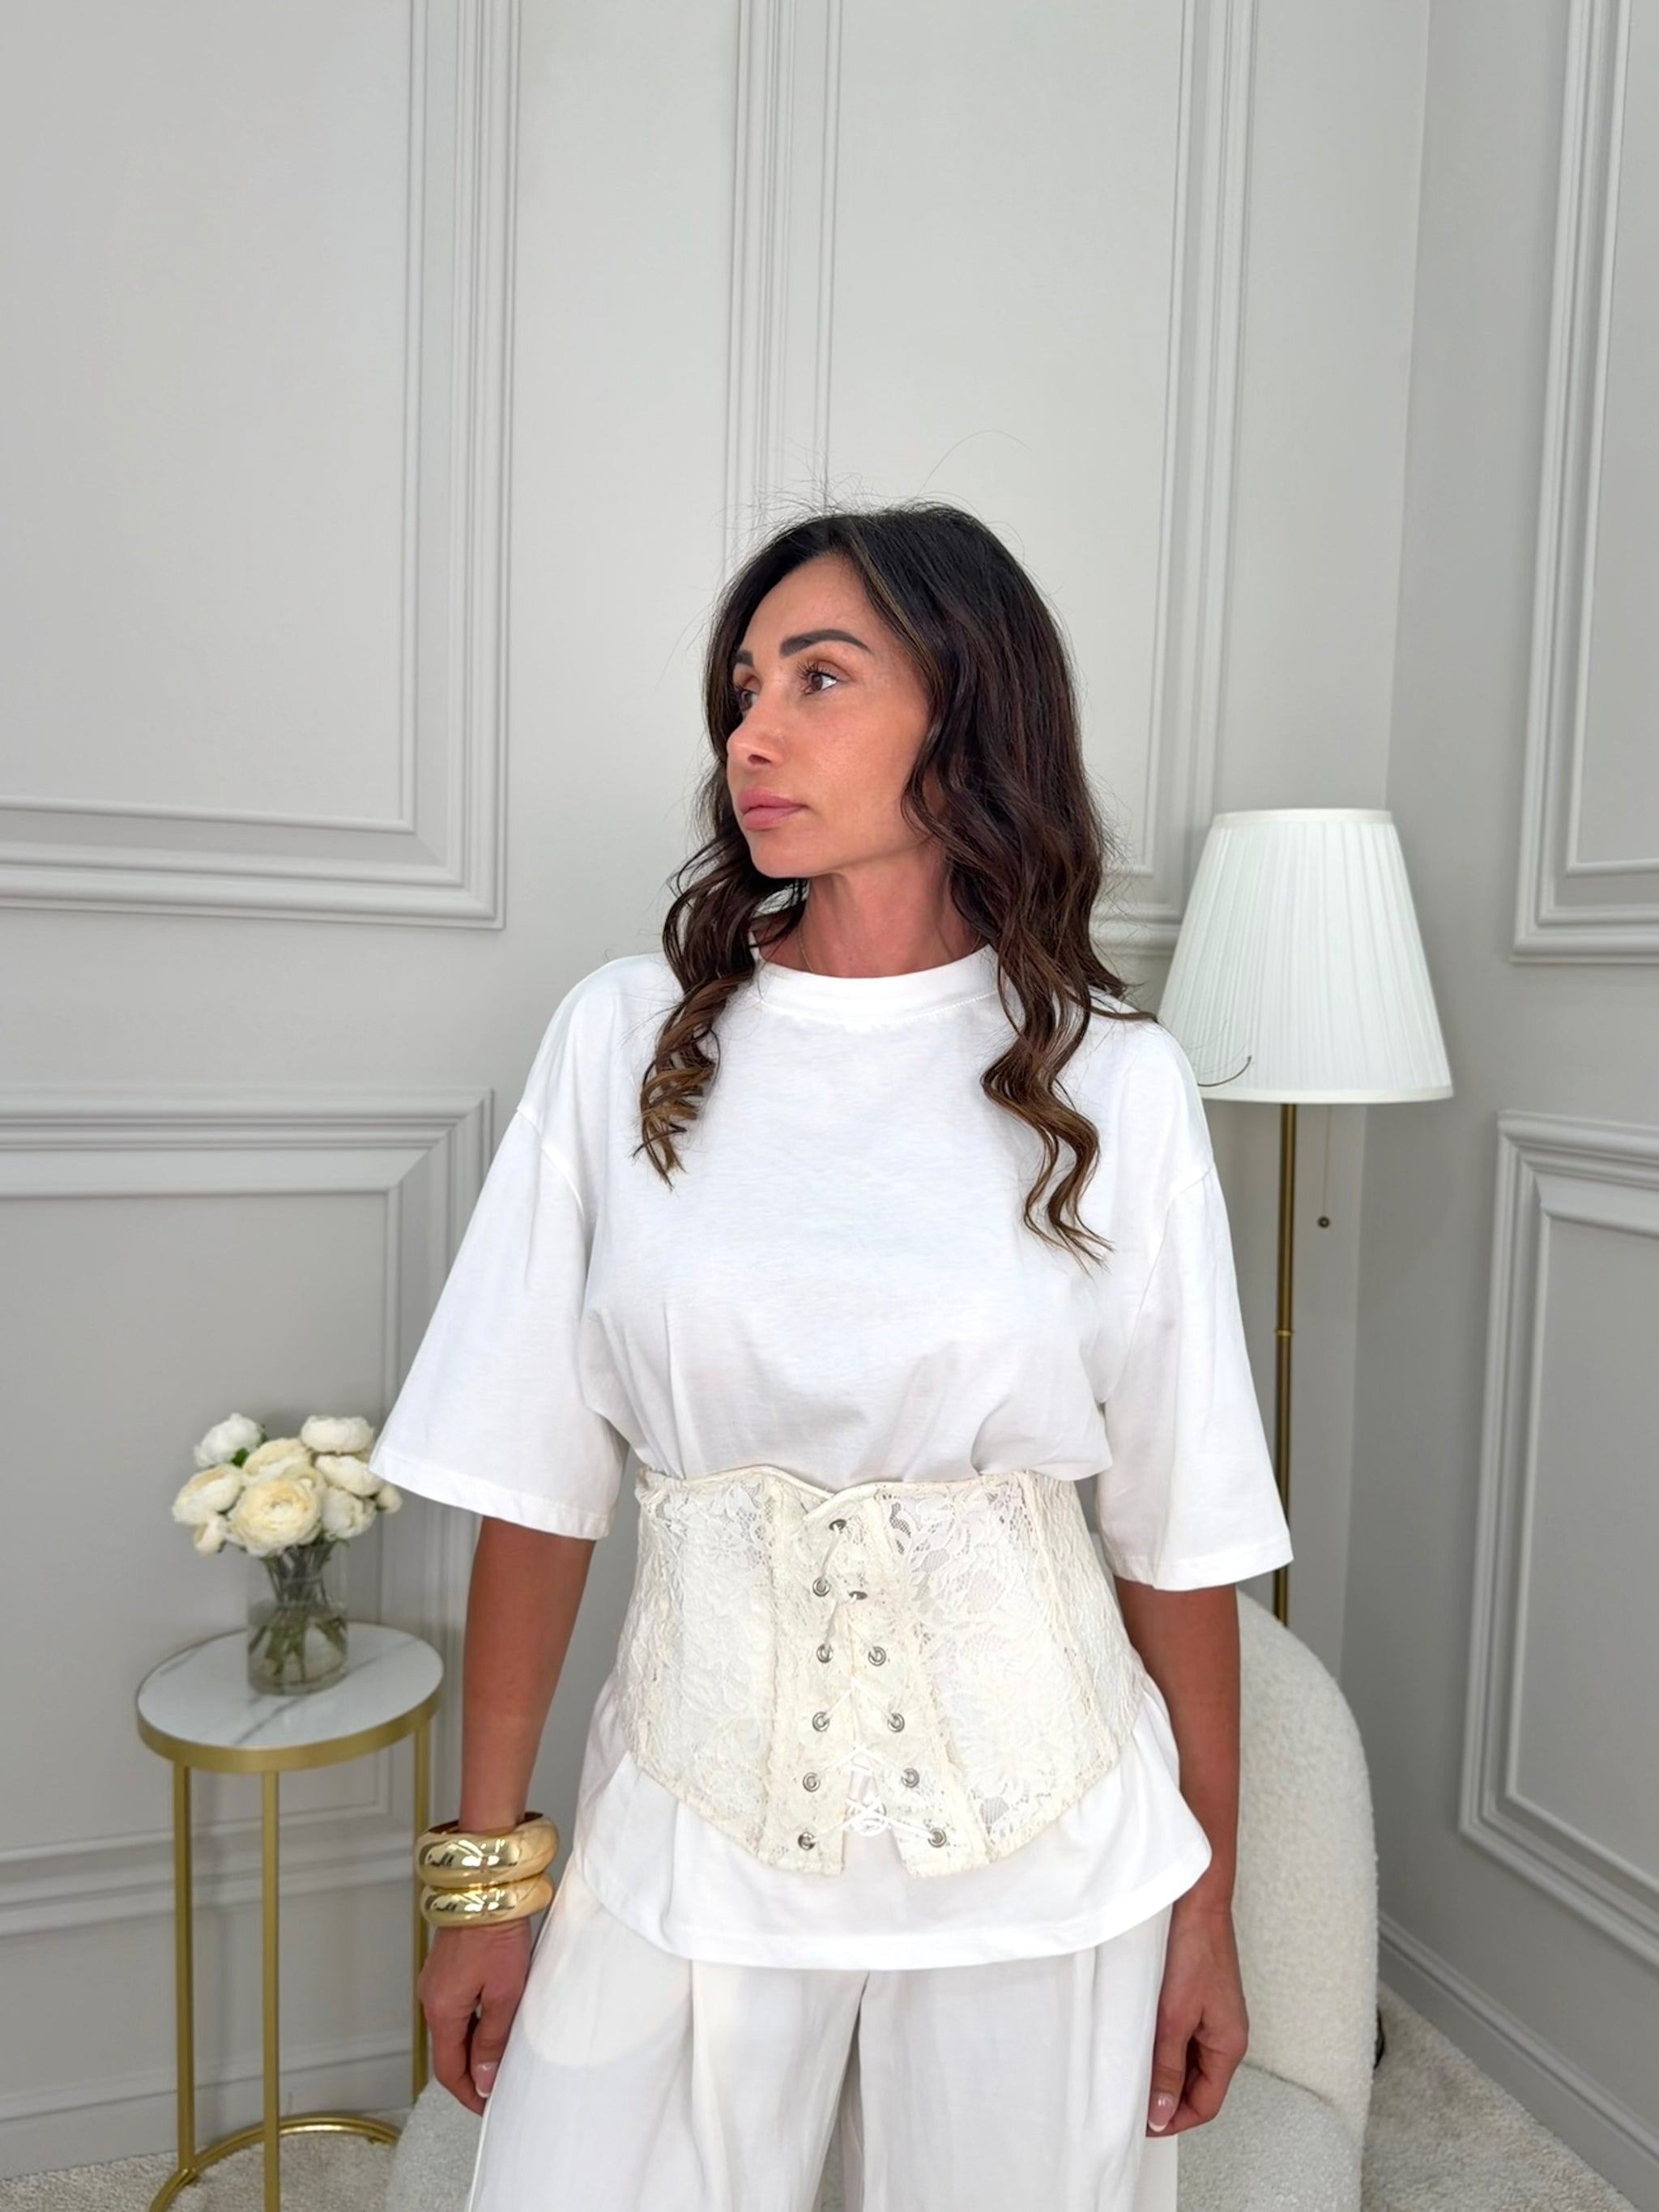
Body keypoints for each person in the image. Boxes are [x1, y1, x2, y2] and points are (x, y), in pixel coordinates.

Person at [368, 501, 1294, 2212]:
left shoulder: (1116, 1082)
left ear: (969, 708)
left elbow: (1182, 1536)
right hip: (690, 1818)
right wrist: (485, 1882)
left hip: (1045, 1844)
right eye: (742, 689)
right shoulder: (623, 1039)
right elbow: (536, 1487)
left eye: (818, 677)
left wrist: (1208, 1901)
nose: (752, 735)